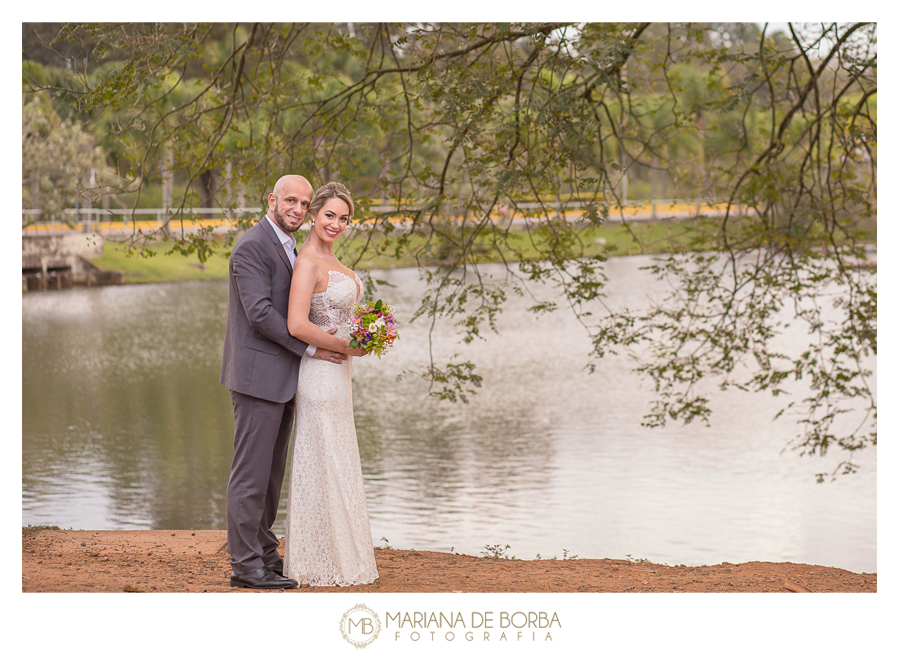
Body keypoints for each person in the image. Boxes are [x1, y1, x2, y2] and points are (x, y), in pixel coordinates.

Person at [220, 174, 355, 589]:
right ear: (272, 199)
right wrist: (314, 349)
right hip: (257, 377)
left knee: (271, 474)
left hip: (285, 378)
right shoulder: (251, 247)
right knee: (251, 474)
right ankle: (245, 567)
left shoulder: (289, 246)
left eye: (303, 203)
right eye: (290, 201)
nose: (297, 209)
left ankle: (264, 552)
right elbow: (260, 314)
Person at [283, 182, 379, 586]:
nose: (336, 224)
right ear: (313, 215)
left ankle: (341, 554)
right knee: (324, 459)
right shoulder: (307, 262)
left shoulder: (335, 260)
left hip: (340, 373)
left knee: (340, 456)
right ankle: (316, 560)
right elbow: (297, 324)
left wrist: (370, 334)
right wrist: (344, 344)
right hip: (321, 375)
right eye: (329, 215)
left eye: (343, 218)